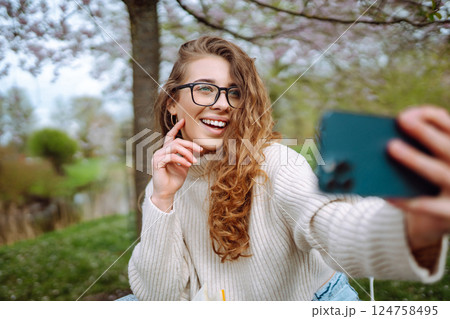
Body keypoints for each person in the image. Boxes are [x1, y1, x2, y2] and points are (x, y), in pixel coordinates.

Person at [126, 36, 449, 301]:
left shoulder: (275, 162)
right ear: (171, 100)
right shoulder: (164, 185)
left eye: (234, 92)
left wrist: (411, 226)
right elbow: (161, 298)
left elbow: (329, 222)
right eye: (205, 88)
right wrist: (163, 199)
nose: (223, 103)